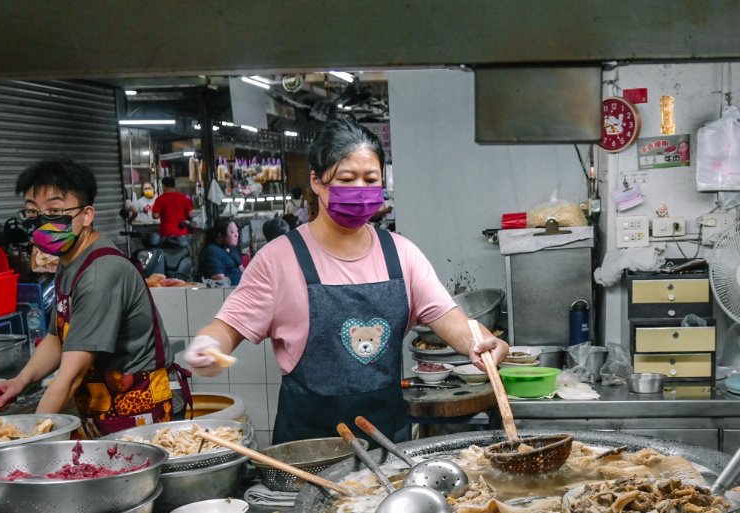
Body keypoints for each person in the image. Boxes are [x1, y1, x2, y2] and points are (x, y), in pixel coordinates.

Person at [183, 117, 508, 443]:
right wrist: (209, 346)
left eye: (371, 179)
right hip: (309, 450)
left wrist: (482, 343)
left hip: (388, 443)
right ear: (316, 181)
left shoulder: (401, 254)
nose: (361, 190)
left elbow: (449, 318)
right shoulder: (279, 259)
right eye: (347, 179)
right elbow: (227, 329)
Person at [0, 159, 188, 435]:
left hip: (141, 411)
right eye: (32, 212)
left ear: (87, 215)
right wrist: (21, 381)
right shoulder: (70, 262)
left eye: (55, 210)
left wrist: (29, 438)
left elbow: (70, 378)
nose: (41, 222)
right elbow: (57, 338)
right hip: (106, 406)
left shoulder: (99, 275)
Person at [199, 218, 244, 285]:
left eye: (237, 231)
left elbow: (243, 271)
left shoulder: (231, 249)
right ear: (220, 235)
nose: (236, 235)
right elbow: (220, 281)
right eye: (232, 232)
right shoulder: (213, 251)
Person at [150, 175, 193, 243]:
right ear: (174, 185)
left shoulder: (160, 199)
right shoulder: (184, 198)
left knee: (167, 252)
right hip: (181, 232)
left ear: (164, 186)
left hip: (167, 232)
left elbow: (155, 215)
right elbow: (190, 215)